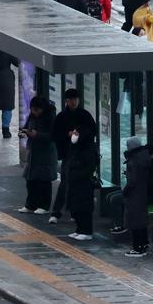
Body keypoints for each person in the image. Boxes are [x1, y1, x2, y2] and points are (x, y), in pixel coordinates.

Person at [50, 88, 97, 223]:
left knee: (78, 184)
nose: (74, 102)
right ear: (66, 101)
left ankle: (74, 211)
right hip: (68, 154)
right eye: (71, 99)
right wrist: (68, 134)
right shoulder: (61, 117)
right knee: (65, 182)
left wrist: (80, 135)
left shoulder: (85, 115)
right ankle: (56, 212)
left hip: (83, 155)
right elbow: (55, 134)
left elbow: (93, 131)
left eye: (76, 99)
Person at [115, 139, 153, 257]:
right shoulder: (144, 158)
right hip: (142, 193)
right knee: (141, 220)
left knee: (134, 221)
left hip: (135, 195)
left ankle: (138, 248)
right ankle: (143, 244)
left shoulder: (134, 161)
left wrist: (125, 191)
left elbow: (132, 181)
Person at [17, 96, 59, 215]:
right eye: (33, 109)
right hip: (33, 153)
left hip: (46, 154)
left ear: (43, 108)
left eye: (37, 110)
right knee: (31, 180)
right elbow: (26, 127)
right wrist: (23, 132)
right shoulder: (32, 116)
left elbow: (52, 136)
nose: (35, 112)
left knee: (44, 181)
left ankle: (44, 206)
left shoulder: (51, 118)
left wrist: (37, 135)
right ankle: (30, 205)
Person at [61, 120, 99, 241]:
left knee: (83, 207)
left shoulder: (88, 148)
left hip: (83, 182)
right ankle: (79, 229)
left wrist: (78, 174)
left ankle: (86, 231)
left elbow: (90, 166)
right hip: (74, 181)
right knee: (75, 206)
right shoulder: (76, 146)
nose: (73, 135)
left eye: (76, 133)